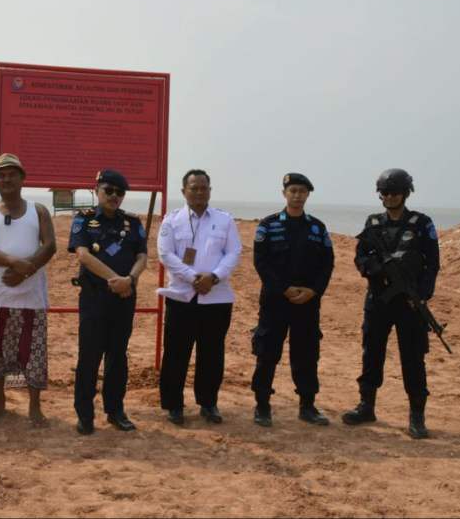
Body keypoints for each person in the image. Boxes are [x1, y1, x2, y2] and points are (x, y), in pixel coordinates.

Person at [343, 168, 440, 439]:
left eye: (394, 192)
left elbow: (432, 264)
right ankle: (366, 405)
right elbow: (361, 257)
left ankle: (417, 415)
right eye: (384, 193)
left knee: (413, 358)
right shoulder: (373, 223)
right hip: (379, 299)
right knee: (371, 352)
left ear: (406, 193)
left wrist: (422, 295)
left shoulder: (422, 223)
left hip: (409, 302)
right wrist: (375, 269)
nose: (389, 197)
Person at [0, 153, 56, 426]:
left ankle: (34, 406)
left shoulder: (38, 210)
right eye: (1, 175)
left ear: (22, 178)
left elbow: (50, 245)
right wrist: (13, 262)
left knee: (34, 354)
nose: (6, 179)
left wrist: (26, 269)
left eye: (12, 174)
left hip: (32, 298)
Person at [157, 169, 241, 425]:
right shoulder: (172, 220)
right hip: (182, 297)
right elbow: (165, 254)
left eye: (204, 187)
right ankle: (174, 406)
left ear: (210, 191)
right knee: (175, 353)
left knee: (212, 354)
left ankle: (208, 403)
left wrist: (213, 277)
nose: (199, 192)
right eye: (193, 188)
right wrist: (193, 277)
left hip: (216, 298)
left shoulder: (224, 220)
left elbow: (234, 252)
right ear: (184, 191)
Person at [250, 173, 334, 428]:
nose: (297, 195)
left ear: (308, 195)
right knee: (267, 353)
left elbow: (327, 264)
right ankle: (262, 405)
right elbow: (261, 263)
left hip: (307, 304)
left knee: (306, 354)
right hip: (276, 302)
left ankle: (307, 405)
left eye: (302, 191)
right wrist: (284, 289)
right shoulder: (268, 225)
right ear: (284, 193)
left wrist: (314, 291)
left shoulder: (317, 228)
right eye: (293, 190)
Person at [68, 170, 148, 435]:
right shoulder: (84, 219)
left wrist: (131, 280)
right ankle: (85, 415)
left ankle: (115, 411)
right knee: (89, 357)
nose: (114, 196)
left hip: (125, 298)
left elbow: (142, 257)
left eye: (119, 192)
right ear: (97, 190)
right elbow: (82, 255)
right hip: (95, 298)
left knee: (118, 357)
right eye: (108, 190)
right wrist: (116, 280)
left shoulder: (133, 223)